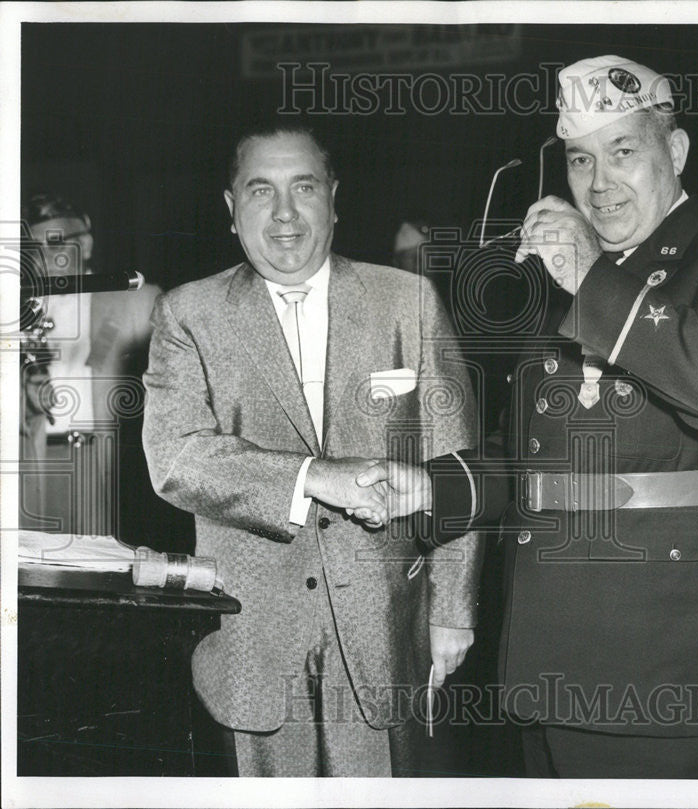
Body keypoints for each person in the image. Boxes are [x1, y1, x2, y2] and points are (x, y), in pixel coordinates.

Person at [359, 55, 698, 779]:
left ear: (677, 151)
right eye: (579, 159)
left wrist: (596, 277)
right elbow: (530, 459)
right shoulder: (562, 286)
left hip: (680, 652)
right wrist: (429, 488)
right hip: (553, 644)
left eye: (624, 152)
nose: (599, 183)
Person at [141, 122, 483, 777]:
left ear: (334, 197)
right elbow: (177, 459)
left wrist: (453, 610)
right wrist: (315, 476)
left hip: (385, 634)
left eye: (303, 187)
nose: (285, 213)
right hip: (250, 640)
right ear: (230, 208)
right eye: (260, 190)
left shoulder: (407, 300)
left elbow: (455, 466)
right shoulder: (187, 314)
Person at [19, 192, 162, 539]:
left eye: (55, 242)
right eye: (32, 247)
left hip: (103, 463)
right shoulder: (16, 307)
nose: (44, 257)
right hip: (35, 461)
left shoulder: (136, 301)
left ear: (85, 241)